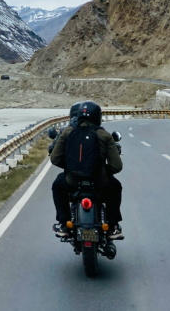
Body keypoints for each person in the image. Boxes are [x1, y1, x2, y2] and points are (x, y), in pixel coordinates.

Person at [50, 100, 123, 239]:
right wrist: (103, 170)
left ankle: (64, 224)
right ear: (98, 117)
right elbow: (116, 166)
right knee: (116, 187)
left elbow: (55, 159)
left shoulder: (68, 132)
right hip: (99, 183)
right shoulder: (105, 135)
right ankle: (113, 227)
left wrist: (70, 168)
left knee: (57, 186)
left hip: (73, 181)